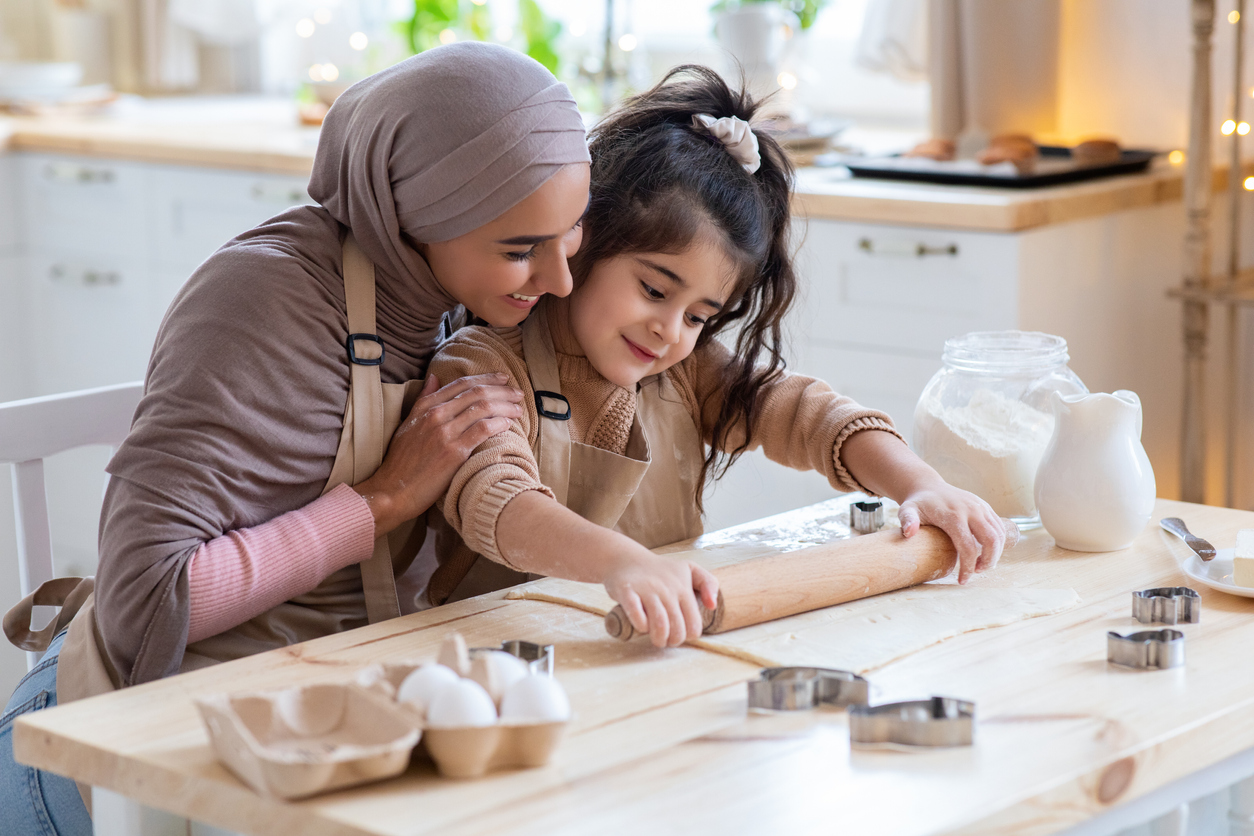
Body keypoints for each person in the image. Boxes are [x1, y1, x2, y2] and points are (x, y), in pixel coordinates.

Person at [0, 42, 590, 834]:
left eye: (571, 234)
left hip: (321, 721)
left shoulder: (456, 304)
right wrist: (382, 501)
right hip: (106, 760)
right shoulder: (263, 302)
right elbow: (144, 602)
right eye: (520, 250)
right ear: (410, 219)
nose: (560, 281)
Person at [419, 66, 1011, 647]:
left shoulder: (687, 370)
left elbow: (803, 412)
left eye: (699, 316)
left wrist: (920, 485)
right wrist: (622, 562)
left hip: (648, 646)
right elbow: (498, 501)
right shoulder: (484, 367)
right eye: (654, 289)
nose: (669, 331)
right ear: (585, 239)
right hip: (499, 658)